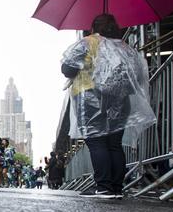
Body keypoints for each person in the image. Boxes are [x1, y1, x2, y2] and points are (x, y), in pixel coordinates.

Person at [61, 14, 155, 198]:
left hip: (90, 98)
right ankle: (116, 188)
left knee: (97, 142)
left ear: (93, 27)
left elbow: (68, 69)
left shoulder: (87, 43)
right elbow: (138, 76)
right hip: (120, 99)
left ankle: (103, 187)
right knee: (114, 144)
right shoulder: (125, 47)